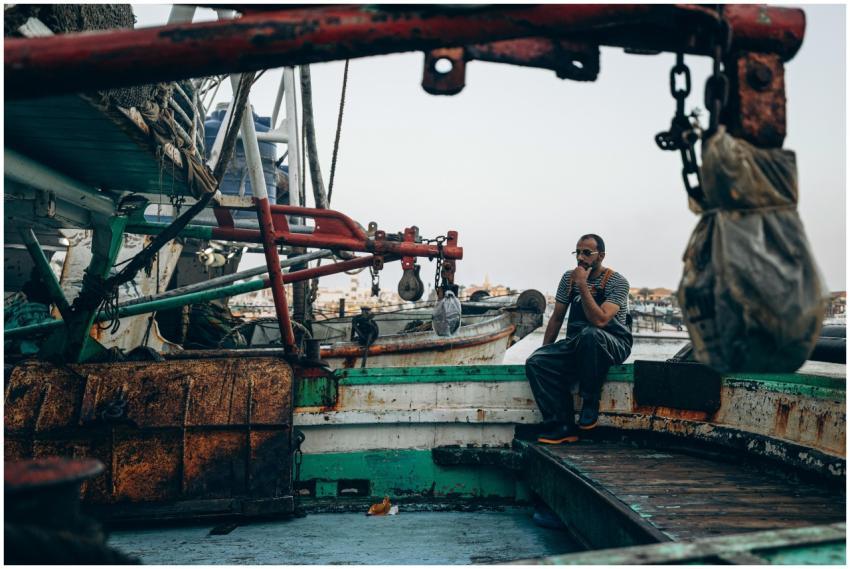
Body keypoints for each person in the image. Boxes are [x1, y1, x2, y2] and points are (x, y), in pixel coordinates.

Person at [525, 234, 632, 444]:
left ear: (601, 256)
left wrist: (582, 284)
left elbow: (601, 320)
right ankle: (562, 425)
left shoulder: (618, 282)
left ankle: (590, 401)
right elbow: (556, 318)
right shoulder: (568, 279)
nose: (580, 257)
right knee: (536, 362)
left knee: (590, 334)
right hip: (578, 344)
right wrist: (545, 351)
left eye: (587, 253)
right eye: (578, 252)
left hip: (612, 343)